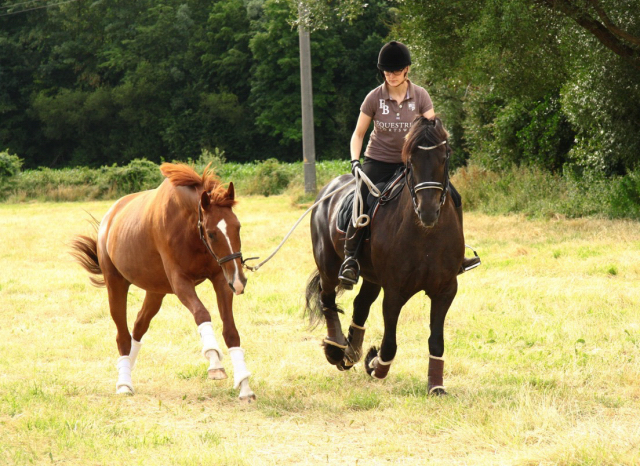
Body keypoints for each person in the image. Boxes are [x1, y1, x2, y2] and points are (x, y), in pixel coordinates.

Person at [338, 41, 481, 287]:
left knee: (454, 196)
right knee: (361, 198)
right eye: (387, 72)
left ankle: (458, 256)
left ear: (407, 70)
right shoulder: (374, 97)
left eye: (396, 71)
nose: (391, 76)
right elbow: (358, 134)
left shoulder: (421, 96)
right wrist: (355, 161)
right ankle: (350, 258)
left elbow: (431, 129)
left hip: (412, 163)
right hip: (379, 160)